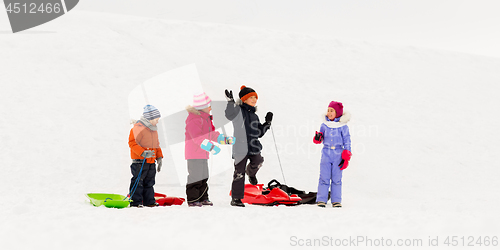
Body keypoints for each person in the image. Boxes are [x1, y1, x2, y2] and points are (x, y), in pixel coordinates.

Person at [225, 86, 272, 207]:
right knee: (239, 173)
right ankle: (236, 198)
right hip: (240, 148)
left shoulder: (255, 116)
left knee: (258, 161)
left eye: (255, 97)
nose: (254, 99)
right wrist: (230, 102)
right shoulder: (238, 111)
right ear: (244, 99)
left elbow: (259, 133)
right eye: (251, 97)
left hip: (254, 146)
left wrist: (267, 124)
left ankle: (251, 173)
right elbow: (229, 115)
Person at [185, 92, 234, 207]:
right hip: (194, 154)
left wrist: (224, 139)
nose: (210, 107)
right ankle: (193, 199)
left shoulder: (206, 119)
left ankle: (203, 197)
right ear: (202, 107)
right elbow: (196, 137)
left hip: (203, 154)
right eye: (209, 105)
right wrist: (210, 146)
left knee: (203, 176)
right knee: (195, 177)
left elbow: (211, 134)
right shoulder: (194, 119)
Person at [313, 101, 352, 208]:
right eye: (328, 110)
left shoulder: (343, 127)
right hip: (326, 153)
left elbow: (347, 140)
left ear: (338, 113)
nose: (329, 112)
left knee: (336, 179)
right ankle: (321, 199)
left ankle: (336, 200)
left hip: (338, 154)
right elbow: (320, 138)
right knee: (324, 177)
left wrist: (346, 154)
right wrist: (317, 138)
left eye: (332, 111)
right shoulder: (324, 125)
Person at [128, 104, 163, 207]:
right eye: (156, 119)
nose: (157, 121)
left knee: (149, 182)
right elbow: (132, 143)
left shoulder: (154, 130)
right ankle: (136, 202)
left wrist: (159, 157)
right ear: (150, 118)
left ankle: (149, 201)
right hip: (139, 161)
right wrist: (143, 152)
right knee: (138, 181)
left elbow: (157, 145)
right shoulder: (138, 128)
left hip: (151, 162)